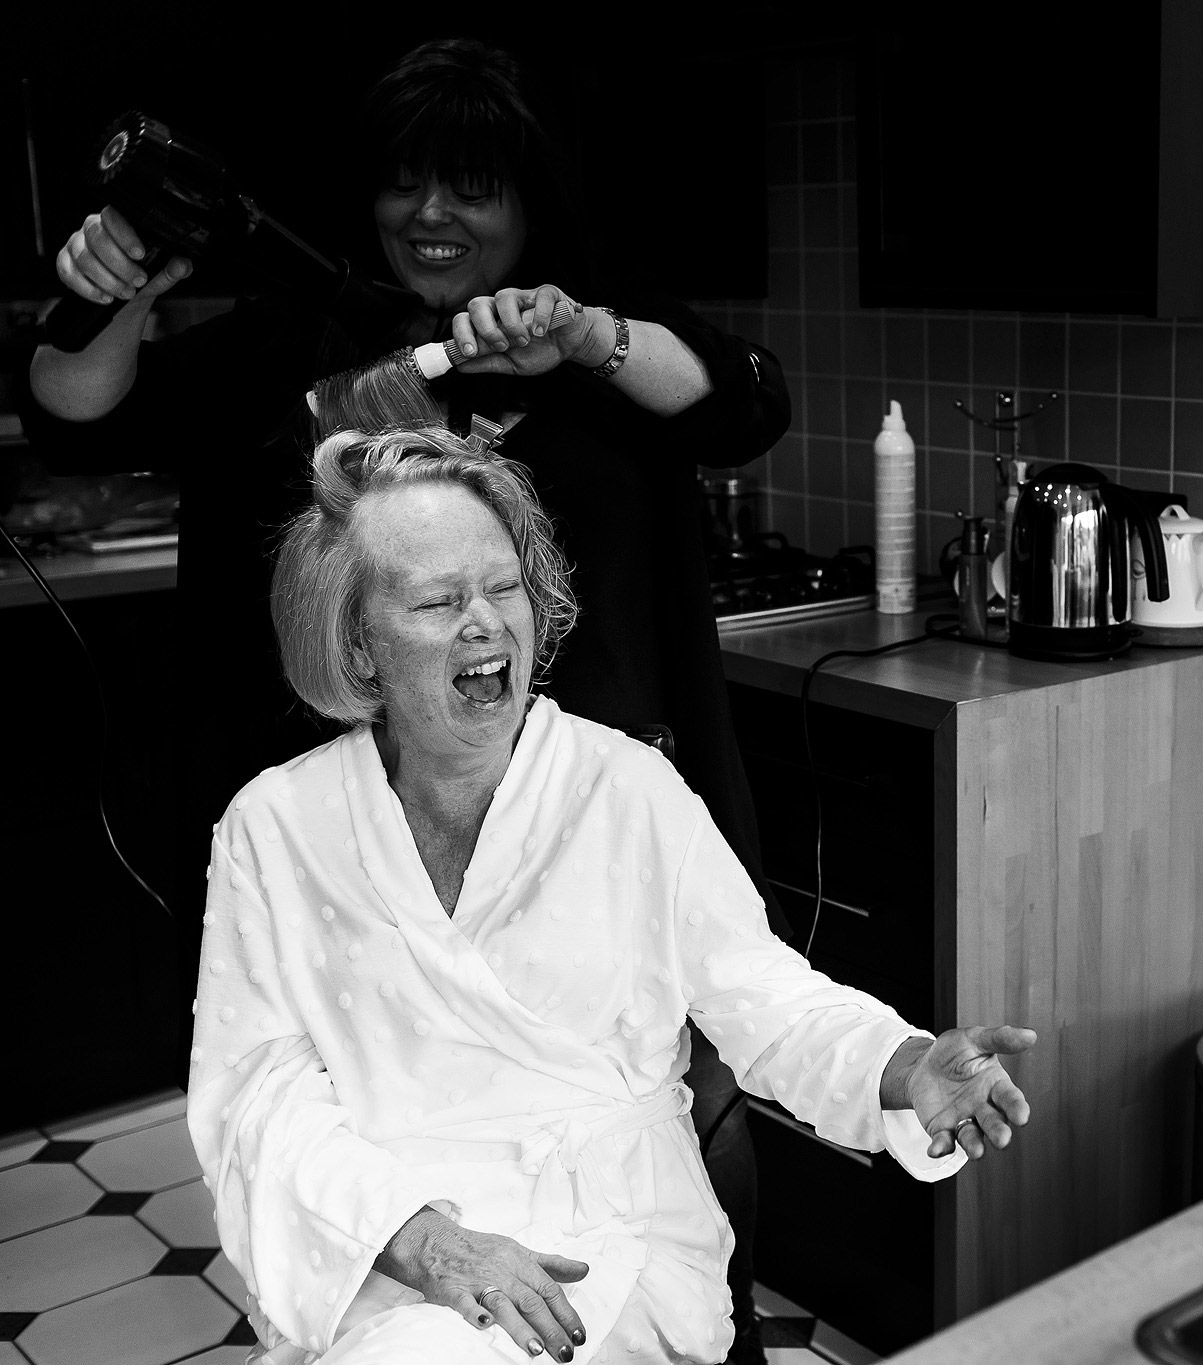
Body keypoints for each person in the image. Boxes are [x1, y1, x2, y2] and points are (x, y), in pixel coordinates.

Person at [25, 40, 795, 1353]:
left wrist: (580, 339)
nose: (431, 215)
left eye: (473, 187)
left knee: (672, 1130)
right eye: (405, 184)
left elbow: (748, 404)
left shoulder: (602, 353)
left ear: (531, 204)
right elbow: (72, 414)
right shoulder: (298, 353)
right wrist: (106, 298)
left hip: (597, 850)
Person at [191, 424, 1036, 1365]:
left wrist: (906, 1064)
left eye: (504, 586)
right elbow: (254, 1095)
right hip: (390, 1236)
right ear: (355, 640)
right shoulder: (273, 827)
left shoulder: (626, 788)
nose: (486, 622)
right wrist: (428, 1243)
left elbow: (766, 999)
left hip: (616, 1233)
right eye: (437, 600)